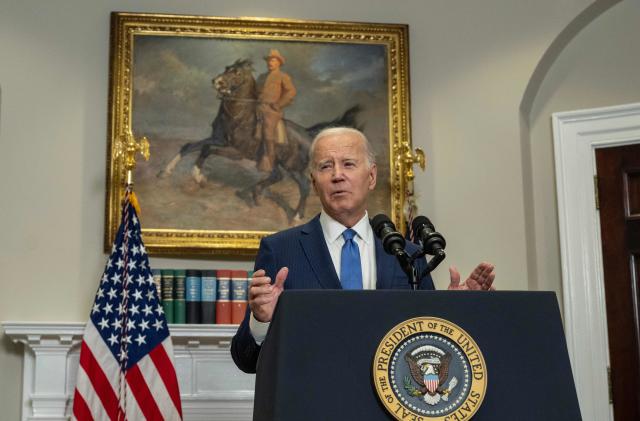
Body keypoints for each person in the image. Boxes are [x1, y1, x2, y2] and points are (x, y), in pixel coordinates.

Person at [231, 127, 495, 373]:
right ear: (314, 182)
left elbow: (431, 347)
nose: (337, 175)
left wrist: (455, 310)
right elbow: (246, 360)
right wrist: (261, 321)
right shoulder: (280, 249)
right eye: (326, 166)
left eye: (348, 164)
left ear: (371, 177)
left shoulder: (408, 254)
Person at [255, 49, 297, 173]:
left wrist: (279, 104)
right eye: (268, 60)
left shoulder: (283, 76)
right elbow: (256, 92)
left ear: (279, 62)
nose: (270, 62)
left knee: (268, 131)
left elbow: (291, 92)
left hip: (272, 110)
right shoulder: (261, 77)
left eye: (273, 60)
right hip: (258, 107)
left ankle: (269, 160)